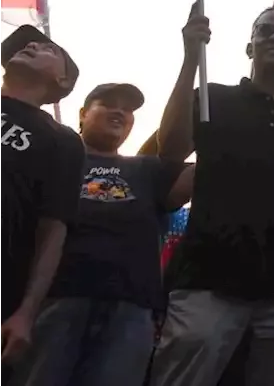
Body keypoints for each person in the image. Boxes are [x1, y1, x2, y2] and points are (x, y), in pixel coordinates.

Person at [152, 6, 274, 386]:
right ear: (249, 46)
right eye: (266, 30)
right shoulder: (212, 98)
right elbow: (171, 149)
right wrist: (192, 57)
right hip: (207, 277)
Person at [11, 83, 192, 386]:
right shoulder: (52, 163)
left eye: (128, 108)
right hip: (54, 303)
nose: (120, 111)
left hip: (131, 311)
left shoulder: (149, 171)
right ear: (82, 114)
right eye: (107, 103)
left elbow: (209, 169)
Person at [0, 26, 84, 386]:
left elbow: (53, 229)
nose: (33, 44)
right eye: (29, 44)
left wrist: (26, 313)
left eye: (48, 48)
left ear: (62, 82)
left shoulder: (61, 141)